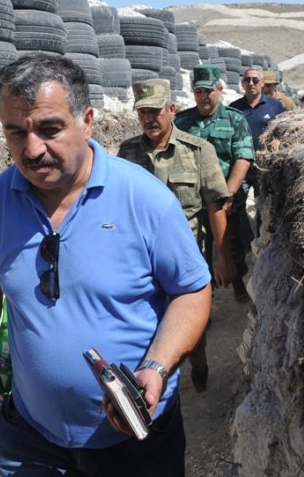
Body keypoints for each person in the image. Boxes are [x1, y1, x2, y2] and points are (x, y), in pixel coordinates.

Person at [0, 54, 212, 476]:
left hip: (134, 439)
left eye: (49, 129)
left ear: (87, 121)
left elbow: (191, 290)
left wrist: (155, 368)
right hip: (30, 437)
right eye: (15, 132)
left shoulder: (144, 200)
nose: (32, 149)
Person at [117, 78, 235, 392]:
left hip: (186, 259)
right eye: (142, 112)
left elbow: (216, 207)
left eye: (155, 110)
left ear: (171, 110)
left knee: (188, 326)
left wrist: (224, 258)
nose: (148, 118)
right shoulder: (127, 153)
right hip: (139, 259)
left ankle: (198, 360)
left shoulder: (199, 151)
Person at [175, 64, 255, 303]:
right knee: (196, 249)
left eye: (208, 91)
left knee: (231, 243)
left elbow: (243, 156)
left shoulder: (233, 120)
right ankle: (203, 296)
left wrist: (228, 193)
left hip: (225, 198)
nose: (204, 97)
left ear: (219, 90)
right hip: (192, 200)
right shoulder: (181, 122)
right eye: (199, 92)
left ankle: (238, 281)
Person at [230, 67, 287, 240]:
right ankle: (245, 242)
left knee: (263, 205)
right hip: (240, 167)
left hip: (264, 168)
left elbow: (284, 135)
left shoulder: (275, 106)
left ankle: (263, 241)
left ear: (262, 84)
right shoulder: (233, 109)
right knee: (236, 207)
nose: (251, 83)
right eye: (247, 80)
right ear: (242, 84)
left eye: (255, 80)